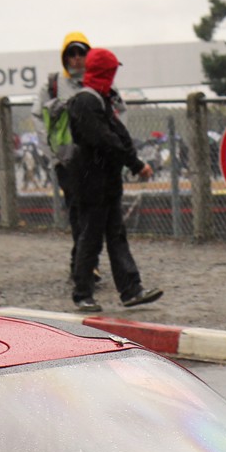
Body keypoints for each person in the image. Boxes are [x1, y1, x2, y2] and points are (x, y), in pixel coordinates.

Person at [66, 48, 162, 312]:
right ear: (105, 72)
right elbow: (106, 140)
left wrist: (132, 161)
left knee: (114, 234)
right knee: (92, 236)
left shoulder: (97, 99)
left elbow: (115, 138)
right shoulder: (88, 102)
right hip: (92, 181)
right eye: (111, 72)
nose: (113, 76)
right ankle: (83, 293)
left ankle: (130, 290)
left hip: (103, 180)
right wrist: (135, 163)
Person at [33, 32, 91, 273]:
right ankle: (85, 262)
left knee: (93, 210)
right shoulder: (52, 86)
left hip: (93, 159)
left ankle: (84, 260)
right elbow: (38, 117)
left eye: (81, 53)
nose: (76, 59)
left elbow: (119, 110)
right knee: (77, 208)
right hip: (66, 161)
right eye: (71, 54)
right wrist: (53, 154)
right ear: (64, 57)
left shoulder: (97, 81)